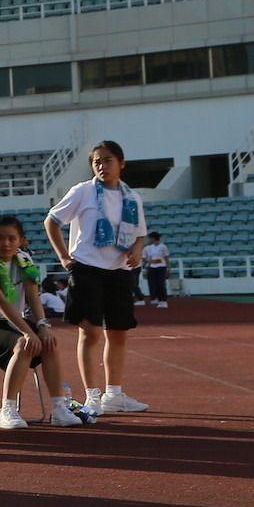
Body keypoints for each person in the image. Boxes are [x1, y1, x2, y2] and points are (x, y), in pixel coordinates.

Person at [45, 140, 149, 419]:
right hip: (87, 268)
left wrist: (138, 249)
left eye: (108, 160)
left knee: (118, 333)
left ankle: (114, 394)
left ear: (121, 163)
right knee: (90, 333)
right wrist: (63, 256)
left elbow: (140, 233)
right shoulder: (83, 191)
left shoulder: (132, 197)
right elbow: (51, 221)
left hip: (120, 271)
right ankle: (92, 394)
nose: (102, 166)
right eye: (96, 161)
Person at [0, 217, 83, 428]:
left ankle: (59, 408)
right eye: (0, 238)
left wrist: (43, 325)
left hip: (13, 322)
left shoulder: (24, 260)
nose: (5, 243)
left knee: (50, 342)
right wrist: (28, 332)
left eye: (12, 238)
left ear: (21, 240)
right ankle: (7, 410)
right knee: (23, 344)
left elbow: (33, 296)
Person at [141, 232, 171, 308]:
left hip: (161, 267)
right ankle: (157, 298)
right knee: (153, 284)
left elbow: (166, 258)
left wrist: (168, 268)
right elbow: (145, 258)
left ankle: (163, 300)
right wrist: (150, 262)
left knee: (161, 284)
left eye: (150, 238)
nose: (149, 240)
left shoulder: (163, 246)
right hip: (152, 267)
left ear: (153, 238)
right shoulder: (148, 248)